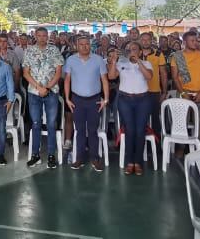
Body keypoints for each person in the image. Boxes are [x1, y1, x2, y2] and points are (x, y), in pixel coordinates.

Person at [64, 35, 110, 172]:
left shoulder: (98, 60)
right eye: (82, 44)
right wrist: (67, 98)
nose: (85, 46)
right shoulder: (71, 60)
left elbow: (104, 80)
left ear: (91, 45)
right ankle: (79, 158)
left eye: (87, 44)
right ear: (77, 46)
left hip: (94, 100)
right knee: (79, 130)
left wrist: (106, 99)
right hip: (77, 99)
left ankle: (95, 158)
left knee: (93, 130)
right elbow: (67, 80)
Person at [22, 26, 64, 169]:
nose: (42, 38)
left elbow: (58, 73)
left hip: (51, 91)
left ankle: (51, 155)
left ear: (48, 36)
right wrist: (38, 87)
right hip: (34, 93)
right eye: (39, 35)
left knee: (52, 123)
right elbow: (26, 73)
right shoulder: (29, 51)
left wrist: (47, 88)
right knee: (35, 123)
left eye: (44, 35)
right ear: (35, 36)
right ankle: (35, 154)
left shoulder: (54, 50)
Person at [111, 41, 153, 175]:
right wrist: (113, 61)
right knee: (130, 130)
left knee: (140, 131)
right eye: (129, 50)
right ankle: (129, 162)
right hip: (125, 100)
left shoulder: (146, 64)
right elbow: (111, 76)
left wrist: (138, 62)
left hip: (143, 100)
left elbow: (149, 76)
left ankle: (138, 162)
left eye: (134, 49)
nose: (131, 52)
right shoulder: (121, 64)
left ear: (140, 52)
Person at [171, 31, 200, 101]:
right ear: (185, 42)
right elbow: (175, 77)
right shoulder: (178, 56)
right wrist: (183, 93)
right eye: (192, 41)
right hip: (183, 92)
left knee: (199, 112)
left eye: (196, 40)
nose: (195, 42)